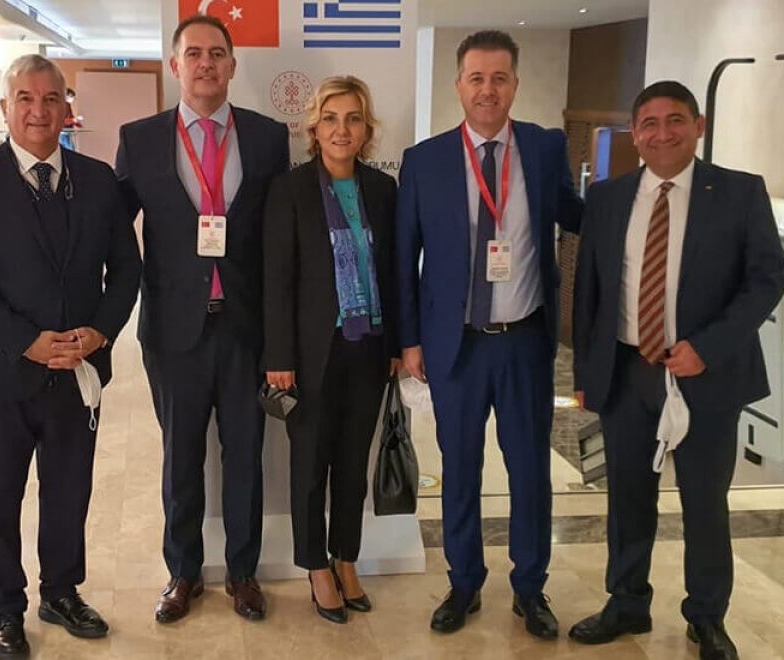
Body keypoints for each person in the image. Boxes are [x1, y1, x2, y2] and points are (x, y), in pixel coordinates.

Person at [569, 81, 784, 660]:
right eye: (649, 123)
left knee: (704, 502)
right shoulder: (608, 198)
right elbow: (590, 291)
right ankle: (626, 603)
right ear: (635, 133)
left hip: (704, 376)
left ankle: (707, 618)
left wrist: (707, 348)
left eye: (675, 121)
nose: (662, 133)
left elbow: (765, 280)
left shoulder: (739, 192)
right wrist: (585, 374)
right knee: (627, 499)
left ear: (699, 126)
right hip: (627, 371)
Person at [0, 54, 141, 658]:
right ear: (6, 108)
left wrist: (100, 332)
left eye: (51, 98)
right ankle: (5, 605)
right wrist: (25, 340)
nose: (38, 110)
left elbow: (126, 270)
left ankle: (61, 591)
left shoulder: (98, 180)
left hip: (77, 369)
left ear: (66, 108)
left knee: (69, 489)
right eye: (25, 99)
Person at [395, 30, 582, 637]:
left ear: (515, 85)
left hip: (525, 340)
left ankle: (530, 586)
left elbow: (577, 215)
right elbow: (404, 256)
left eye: (499, 78)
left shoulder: (545, 148)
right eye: (476, 78)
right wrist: (409, 340)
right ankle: (464, 581)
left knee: (529, 471)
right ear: (459, 86)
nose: (488, 90)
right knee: (461, 469)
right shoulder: (425, 161)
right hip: (457, 344)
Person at [115, 14, 289, 623]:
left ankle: (243, 573)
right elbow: (113, 232)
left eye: (217, 53)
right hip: (172, 331)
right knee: (181, 458)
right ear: (175, 65)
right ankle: (182, 573)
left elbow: (279, 239)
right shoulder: (139, 138)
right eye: (194, 53)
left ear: (233, 66)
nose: (206, 63)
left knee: (245, 457)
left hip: (245, 328)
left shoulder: (268, 137)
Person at [263, 76, 399, 625]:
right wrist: (279, 356)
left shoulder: (382, 189)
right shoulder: (291, 190)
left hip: (369, 348)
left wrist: (396, 344)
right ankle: (315, 566)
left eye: (353, 119)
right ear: (314, 129)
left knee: (352, 464)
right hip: (310, 353)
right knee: (310, 463)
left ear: (366, 130)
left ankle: (346, 558)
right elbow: (277, 280)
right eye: (331, 119)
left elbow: (394, 273)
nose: (342, 130)